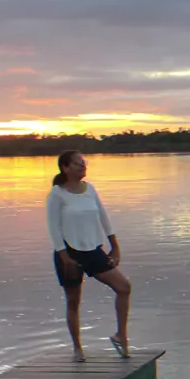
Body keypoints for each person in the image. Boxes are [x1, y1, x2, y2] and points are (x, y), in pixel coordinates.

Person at [46, 150, 131, 362]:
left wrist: (115, 246)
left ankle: (121, 335)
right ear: (65, 168)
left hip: (93, 250)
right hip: (69, 252)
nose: (83, 166)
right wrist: (64, 257)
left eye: (84, 163)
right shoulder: (57, 194)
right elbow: (54, 228)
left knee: (124, 287)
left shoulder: (90, 189)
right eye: (77, 164)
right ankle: (78, 349)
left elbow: (104, 217)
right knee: (73, 301)